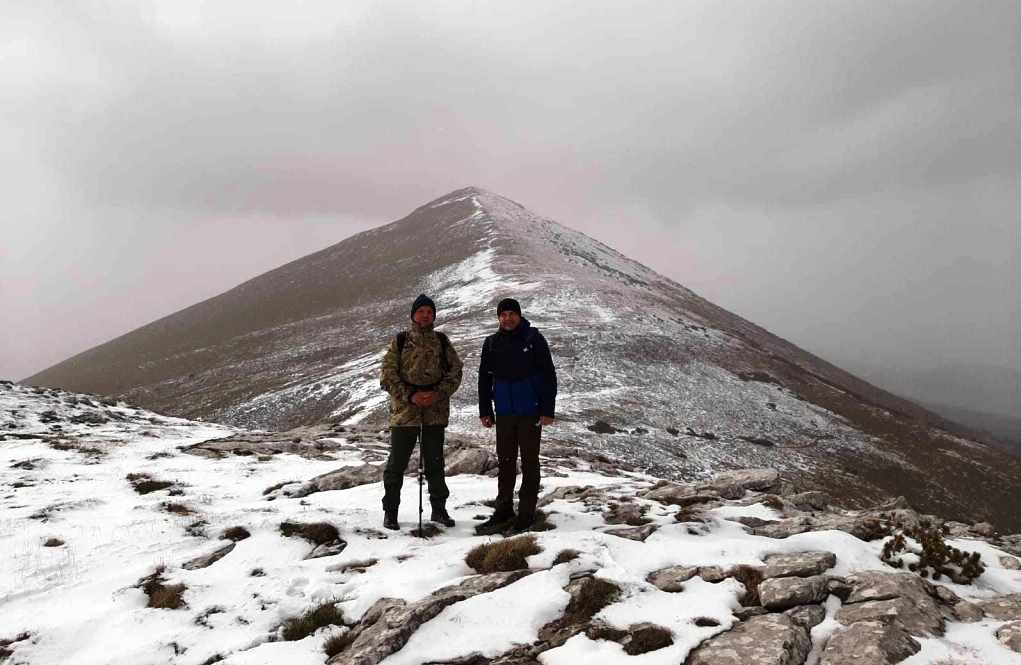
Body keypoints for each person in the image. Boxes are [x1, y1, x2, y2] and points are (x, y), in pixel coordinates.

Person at [379, 294, 463, 531]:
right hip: (404, 414)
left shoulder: (443, 341)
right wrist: (410, 395)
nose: (425, 315)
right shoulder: (400, 341)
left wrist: (437, 393)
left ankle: (439, 510)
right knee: (396, 464)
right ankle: (391, 512)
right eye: (421, 311)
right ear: (413, 315)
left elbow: (455, 372)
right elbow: (387, 374)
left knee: (435, 463)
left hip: (435, 413)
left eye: (429, 312)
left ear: (434, 316)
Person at [476, 298, 557, 534]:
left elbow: (548, 374)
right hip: (503, 412)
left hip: (529, 411)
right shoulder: (491, 343)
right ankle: (503, 511)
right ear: (498, 318)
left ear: (519, 316)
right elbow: (484, 378)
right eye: (503, 314)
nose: (507, 318)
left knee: (530, 462)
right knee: (506, 462)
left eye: (512, 314)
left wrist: (547, 410)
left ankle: (527, 514)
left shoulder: (533, 339)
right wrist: (485, 410)